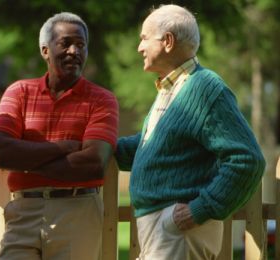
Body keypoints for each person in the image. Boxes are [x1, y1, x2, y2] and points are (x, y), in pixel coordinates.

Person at [114, 4, 266, 260]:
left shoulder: (205, 88)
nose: (139, 47)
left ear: (168, 41)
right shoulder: (173, 88)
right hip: (164, 229)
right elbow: (154, 147)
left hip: (178, 230)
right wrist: (103, 145)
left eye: (144, 39)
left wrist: (201, 209)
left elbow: (248, 159)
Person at [0, 12, 118, 260]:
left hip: (77, 211)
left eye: (81, 45)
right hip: (23, 211)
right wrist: (62, 148)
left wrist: (24, 161)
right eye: (65, 43)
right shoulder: (19, 92)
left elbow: (92, 165)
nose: (74, 51)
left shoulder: (102, 99)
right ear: (45, 50)